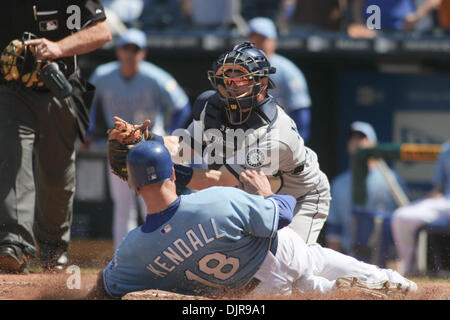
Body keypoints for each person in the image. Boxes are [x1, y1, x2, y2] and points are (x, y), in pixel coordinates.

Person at [91, 140, 417, 299]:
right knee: (361, 278)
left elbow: (105, 291)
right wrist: (264, 194)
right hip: (284, 252)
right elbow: (284, 212)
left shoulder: (132, 251)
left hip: (254, 294)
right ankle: (375, 287)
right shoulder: (217, 199)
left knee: (314, 289)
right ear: (173, 173)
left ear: (132, 186)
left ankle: (336, 291)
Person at [111, 41, 331, 246]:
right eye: (226, 79)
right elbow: (182, 147)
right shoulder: (212, 107)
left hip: (300, 193)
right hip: (255, 189)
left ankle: (350, 278)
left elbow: (221, 181)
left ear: (262, 82)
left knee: (291, 258)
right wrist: (145, 139)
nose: (231, 86)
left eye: (241, 79)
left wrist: (162, 170)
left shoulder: (276, 133)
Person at [0, 1, 111, 274]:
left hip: (60, 87)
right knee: (12, 159)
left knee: (57, 175)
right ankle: (14, 246)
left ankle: (53, 252)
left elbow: (102, 32)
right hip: (13, 91)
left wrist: (59, 47)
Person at [85, 28, 191, 250]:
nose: (130, 53)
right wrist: (89, 129)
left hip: (151, 145)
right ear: (118, 51)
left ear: (143, 53)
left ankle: (162, 251)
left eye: (135, 49)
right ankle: (123, 255)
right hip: (120, 146)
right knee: (123, 207)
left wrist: (171, 133)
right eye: (126, 48)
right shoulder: (103, 75)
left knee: (154, 201)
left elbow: (182, 106)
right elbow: (89, 102)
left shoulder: (155, 76)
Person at [325, 122, 407, 267]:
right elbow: (334, 229)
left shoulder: (392, 178)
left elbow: (401, 224)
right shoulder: (339, 183)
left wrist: (396, 263)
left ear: (374, 144)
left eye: (362, 137)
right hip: (349, 257)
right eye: (352, 138)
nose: (356, 142)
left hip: (386, 258)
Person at [247, 17, 312, 143]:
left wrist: (298, 143)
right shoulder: (239, 69)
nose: (257, 44)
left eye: (262, 39)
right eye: (253, 39)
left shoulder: (287, 70)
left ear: (273, 41)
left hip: (278, 137)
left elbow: (300, 112)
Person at [391, 143, 450, 276]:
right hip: (447, 203)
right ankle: (409, 271)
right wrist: (426, 201)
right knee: (401, 216)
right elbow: (438, 189)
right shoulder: (447, 150)